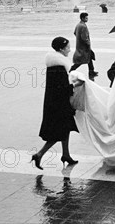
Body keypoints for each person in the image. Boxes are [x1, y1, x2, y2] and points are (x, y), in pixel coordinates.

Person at [31, 37, 80, 170]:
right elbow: (62, 87)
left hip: (55, 101)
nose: (70, 50)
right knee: (59, 131)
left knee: (66, 128)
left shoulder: (56, 62)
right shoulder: (59, 65)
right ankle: (39, 154)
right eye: (68, 48)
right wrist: (76, 84)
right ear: (61, 49)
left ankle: (66, 154)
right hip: (59, 104)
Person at [71, 12, 98, 80]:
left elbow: (75, 33)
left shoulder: (78, 25)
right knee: (81, 60)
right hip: (84, 47)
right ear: (82, 18)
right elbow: (84, 38)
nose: (87, 19)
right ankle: (72, 69)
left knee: (89, 58)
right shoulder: (83, 26)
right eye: (86, 18)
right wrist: (88, 43)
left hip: (80, 45)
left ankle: (91, 71)